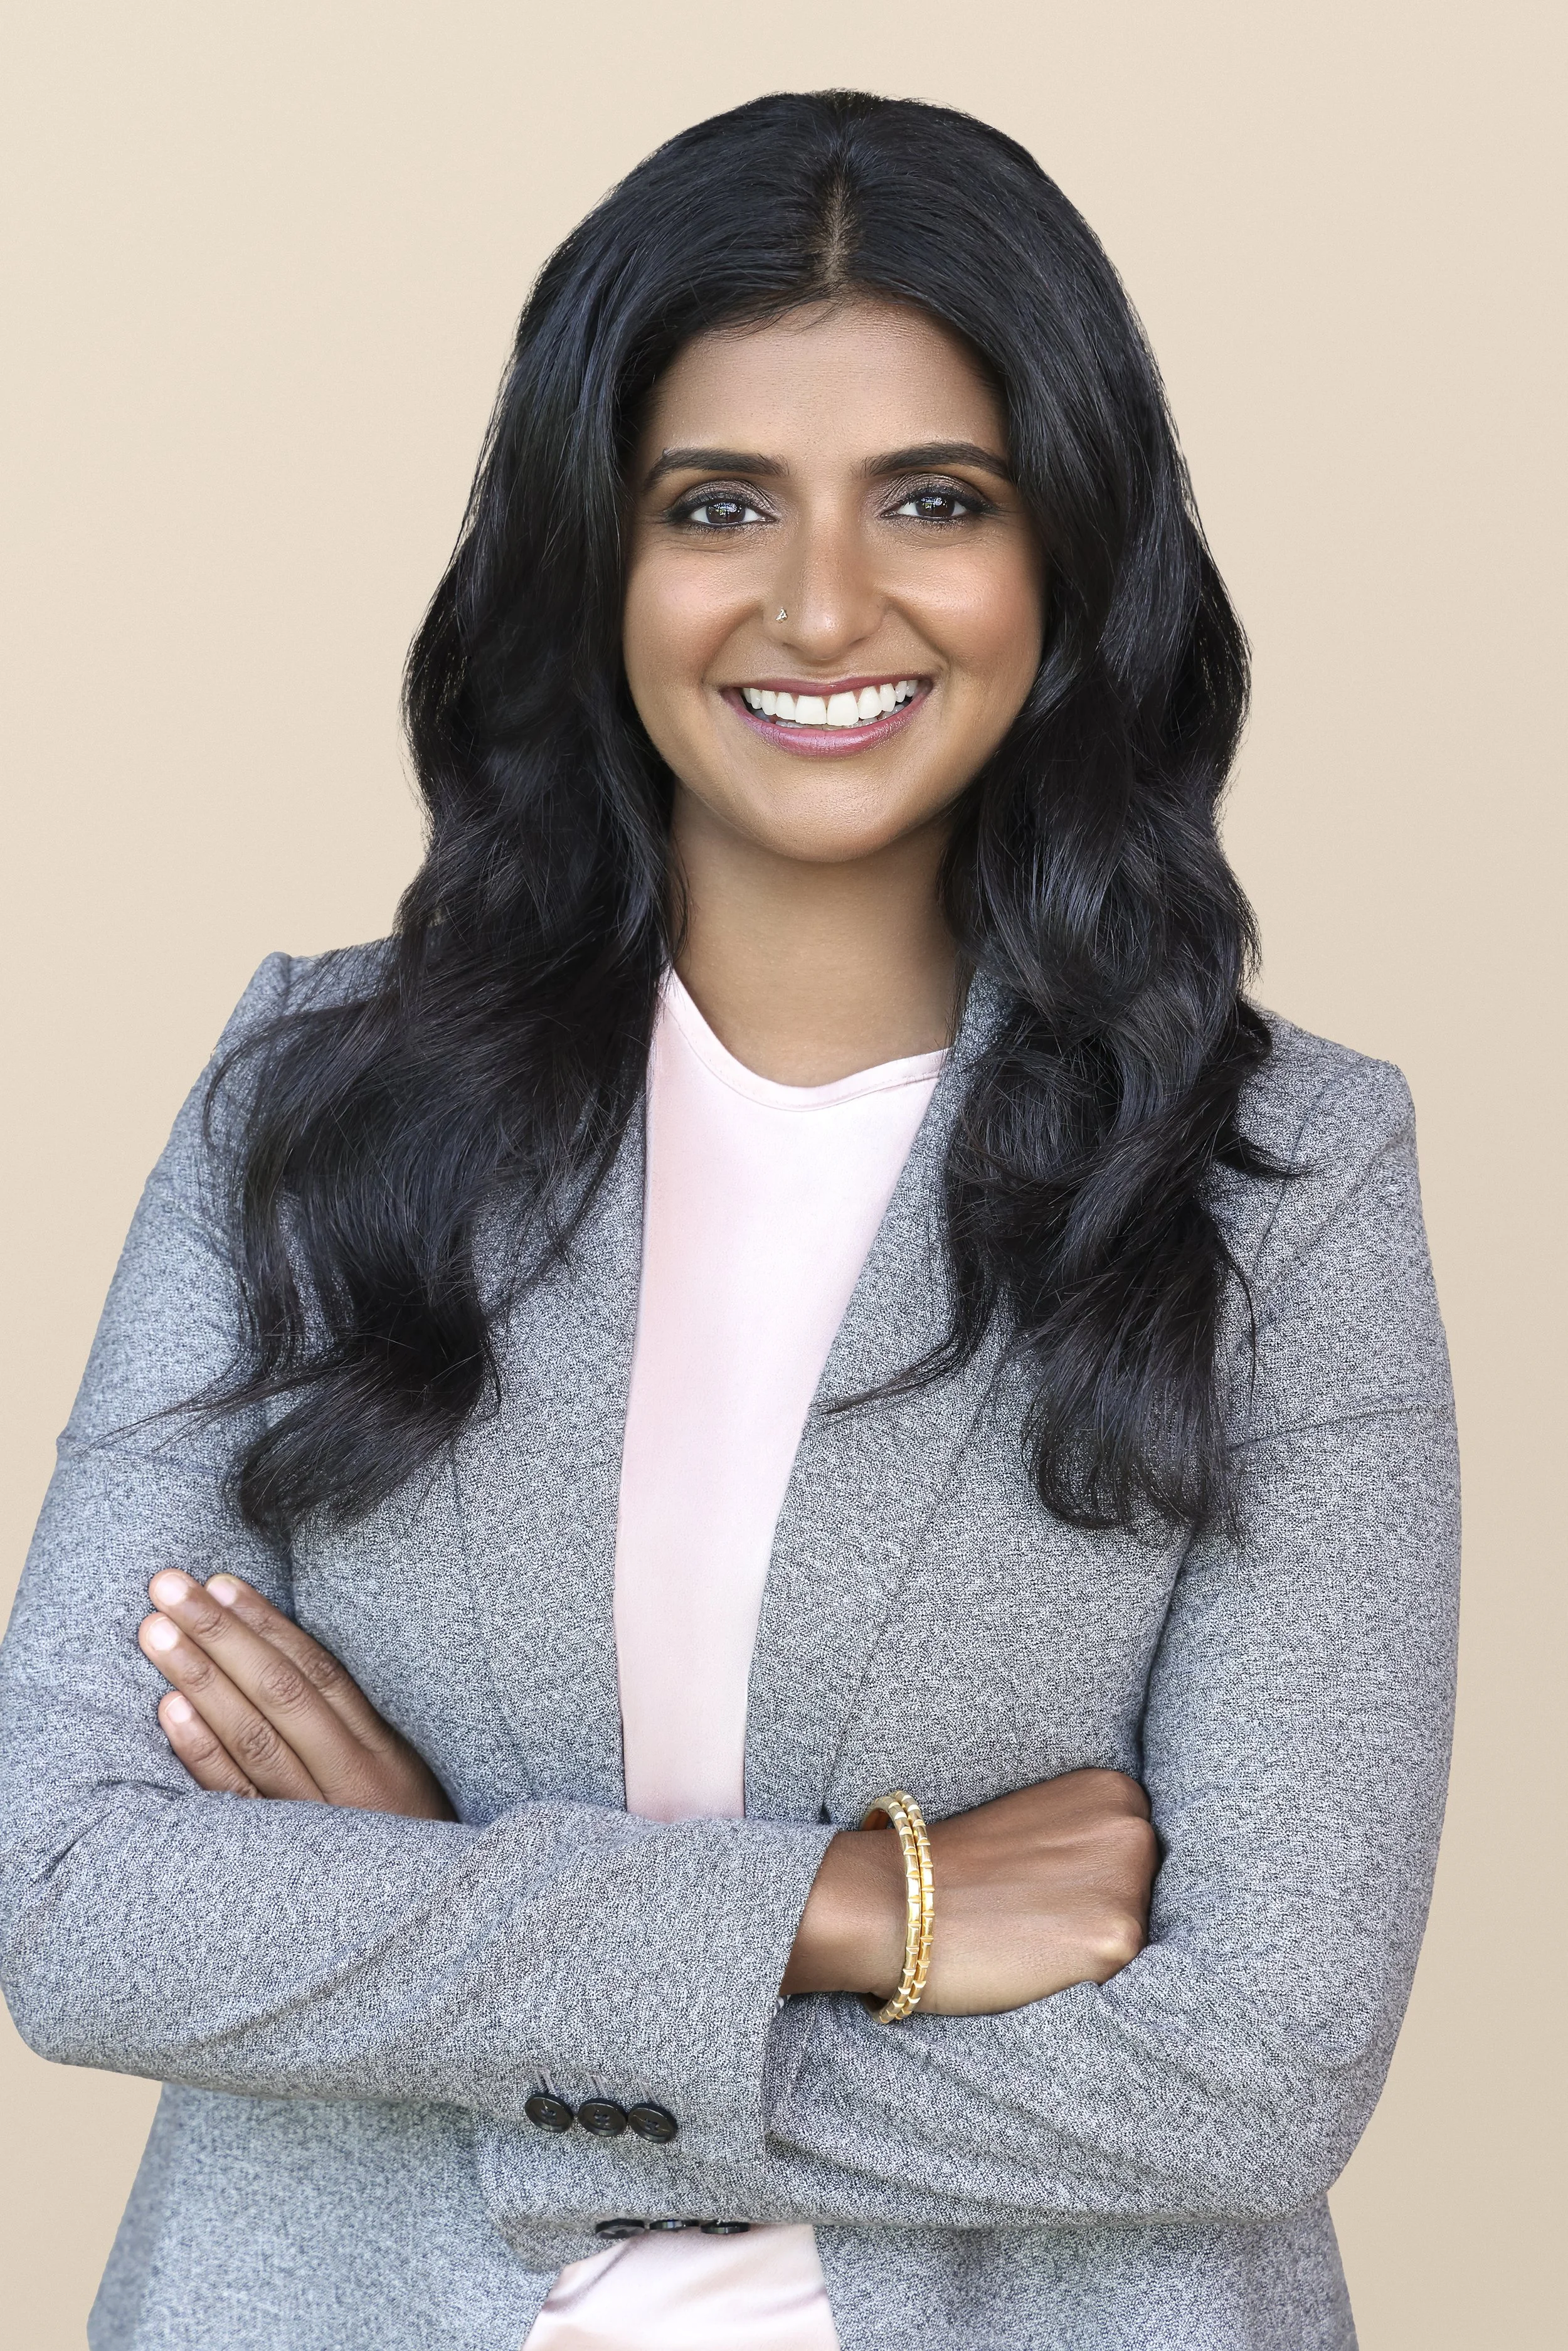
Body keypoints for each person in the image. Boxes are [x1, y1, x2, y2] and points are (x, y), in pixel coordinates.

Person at [0, 88, 1458, 2351]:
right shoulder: (312, 1094)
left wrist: (445, 1950)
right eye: (716, 505)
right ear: (595, 556)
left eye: (934, 502)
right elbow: (81, 1900)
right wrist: (855, 1909)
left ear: (1068, 554)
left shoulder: (1281, 1184)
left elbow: (1252, 2071)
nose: (818, 604)